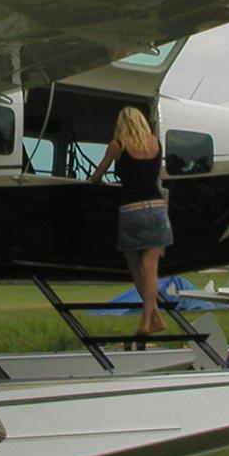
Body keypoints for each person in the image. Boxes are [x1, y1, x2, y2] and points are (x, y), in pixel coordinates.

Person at [85, 106, 172, 338]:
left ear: (122, 122)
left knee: (135, 266)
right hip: (157, 208)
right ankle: (150, 319)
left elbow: (96, 176)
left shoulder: (118, 144)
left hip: (131, 210)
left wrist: (101, 182)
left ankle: (152, 317)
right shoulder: (155, 143)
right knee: (151, 268)